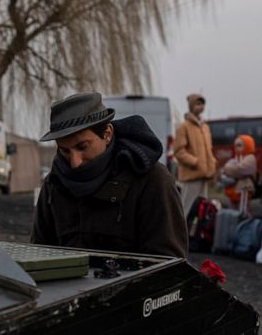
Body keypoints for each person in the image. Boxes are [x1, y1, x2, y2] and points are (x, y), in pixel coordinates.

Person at [31, 92, 188, 258]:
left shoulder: (152, 180)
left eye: (82, 147)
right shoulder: (53, 183)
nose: (75, 163)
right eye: (65, 151)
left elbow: (169, 265)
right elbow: (39, 255)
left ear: (107, 134)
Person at [174, 93, 217, 217]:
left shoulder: (205, 127)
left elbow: (209, 150)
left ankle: (198, 235)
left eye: (202, 104)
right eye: (198, 104)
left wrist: (211, 164)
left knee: (202, 209)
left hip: (204, 174)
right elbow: (179, 151)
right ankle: (183, 235)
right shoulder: (183, 127)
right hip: (190, 175)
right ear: (191, 106)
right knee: (187, 209)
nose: (201, 106)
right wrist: (195, 162)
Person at [221, 135, 257, 216]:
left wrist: (227, 168)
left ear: (247, 145)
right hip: (233, 190)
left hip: (244, 189)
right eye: (235, 145)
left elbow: (240, 170)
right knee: (233, 212)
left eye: (240, 145)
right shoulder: (237, 157)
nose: (237, 147)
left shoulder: (250, 158)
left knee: (243, 212)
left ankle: (244, 226)